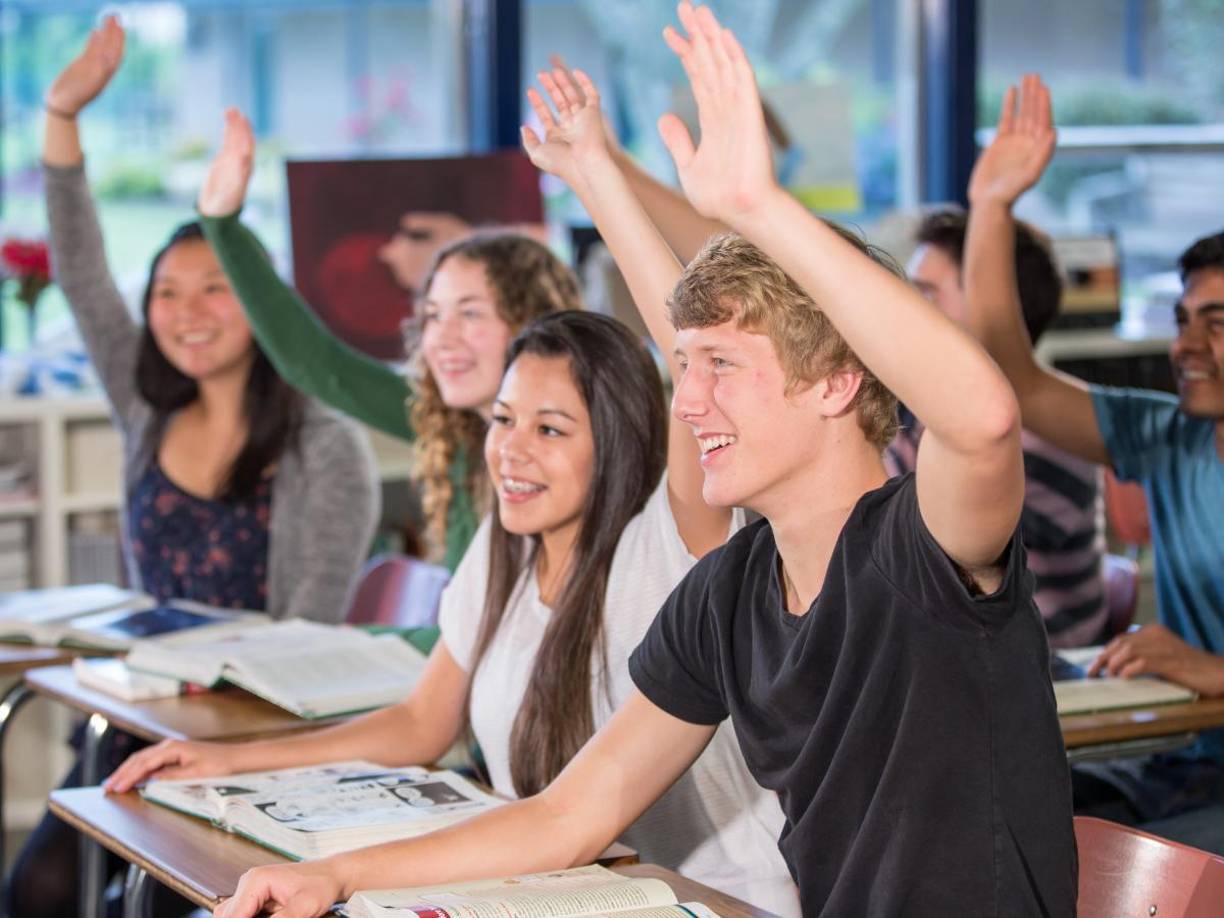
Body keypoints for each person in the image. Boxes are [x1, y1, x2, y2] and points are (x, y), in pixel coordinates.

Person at [209, 6, 1076, 916]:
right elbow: (568, 816)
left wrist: (758, 208)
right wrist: (335, 874)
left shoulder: (922, 546)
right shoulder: (731, 592)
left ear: (835, 385)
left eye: (722, 372)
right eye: (684, 371)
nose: (687, 401)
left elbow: (981, 418)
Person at [11, 18, 379, 918]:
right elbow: (83, 270)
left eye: (216, 287)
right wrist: (62, 115)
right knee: (41, 890)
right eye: (168, 293)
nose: (188, 313)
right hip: (137, 730)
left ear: (259, 302)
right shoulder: (148, 411)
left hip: (254, 753)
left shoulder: (325, 450)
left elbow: (305, 648)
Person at [961, 73, 1224, 851]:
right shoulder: (1168, 434)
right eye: (1181, 321)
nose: (1184, 348)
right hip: (1183, 765)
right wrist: (991, 207)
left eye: (1217, 324)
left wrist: (1212, 668)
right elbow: (1011, 374)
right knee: (991, 821)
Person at [197, 110, 583, 568]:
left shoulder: (570, 459)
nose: (443, 339)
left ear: (531, 322)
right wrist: (221, 224)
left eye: (471, 313)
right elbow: (318, 366)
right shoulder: (457, 429)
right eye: (433, 316)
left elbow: (496, 639)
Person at [887, 208, 1108, 648]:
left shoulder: (1034, 438)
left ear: (996, 307)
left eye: (928, 293)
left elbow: (917, 560)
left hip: (1038, 672)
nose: (906, 309)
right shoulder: (923, 410)